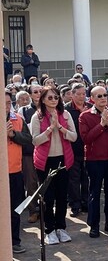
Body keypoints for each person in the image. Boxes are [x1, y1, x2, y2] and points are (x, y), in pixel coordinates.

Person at [31, 86, 77, 245]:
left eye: (56, 97)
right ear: (43, 99)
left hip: (63, 160)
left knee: (62, 196)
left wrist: (60, 127)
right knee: (48, 198)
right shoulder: (37, 117)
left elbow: (73, 137)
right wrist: (50, 128)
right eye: (49, 97)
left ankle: (61, 227)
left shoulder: (65, 114)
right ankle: (49, 230)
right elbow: (35, 140)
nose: (53, 100)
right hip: (45, 162)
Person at [79, 86, 108, 238]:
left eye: (105, 95)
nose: (103, 98)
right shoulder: (85, 116)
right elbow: (86, 138)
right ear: (92, 98)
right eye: (99, 96)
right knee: (95, 193)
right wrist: (101, 124)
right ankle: (94, 225)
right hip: (94, 160)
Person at [5, 88, 32, 254]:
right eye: (3, 104)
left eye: (8, 103)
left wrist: (13, 134)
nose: (6, 107)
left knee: (15, 209)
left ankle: (15, 241)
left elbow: (28, 141)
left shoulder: (18, 119)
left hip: (15, 172)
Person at [64, 83, 92, 217]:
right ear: (72, 95)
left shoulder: (90, 108)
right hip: (72, 149)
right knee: (73, 179)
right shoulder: (66, 110)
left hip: (89, 149)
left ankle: (86, 203)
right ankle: (75, 205)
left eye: (83, 94)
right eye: (78, 94)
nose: (82, 97)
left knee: (86, 178)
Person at [18, 83, 43, 224]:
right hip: (29, 152)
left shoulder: (49, 109)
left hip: (46, 151)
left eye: (40, 91)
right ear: (30, 95)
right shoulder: (24, 111)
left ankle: (46, 208)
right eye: (35, 92)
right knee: (31, 183)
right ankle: (34, 210)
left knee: (45, 181)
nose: (38, 94)